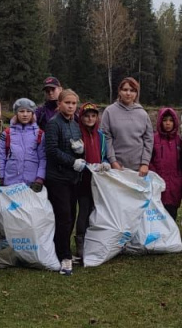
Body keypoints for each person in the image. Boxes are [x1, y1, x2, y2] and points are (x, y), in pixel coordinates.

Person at [44, 89, 86, 276]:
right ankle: (64, 256)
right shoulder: (53, 124)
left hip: (73, 179)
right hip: (58, 178)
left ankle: (61, 250)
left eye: (73, 103)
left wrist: (80, 151)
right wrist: (72, 161)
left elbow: (74, 145)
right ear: (59, 104)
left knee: (71, 216)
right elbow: (52, 150)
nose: (70, 106)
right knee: (63, 217)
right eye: (67, 103)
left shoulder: (75, 123)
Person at [75, 102, 110, 263]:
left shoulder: (101, 135)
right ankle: (80, 241)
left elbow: (104, 154)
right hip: (82, 178)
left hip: (98, 180)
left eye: (93, 116)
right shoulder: (77, 133)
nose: (90, 119)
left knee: (95, 210)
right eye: (87, 116)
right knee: (83, 210)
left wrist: (105, 162)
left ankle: (93, 240)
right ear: (81, 117)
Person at [100, 77, 153, 175]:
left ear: (136, 93)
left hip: (138, 170)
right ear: (119, 91)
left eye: (132, 90)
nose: (128, 93)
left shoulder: (143, 114)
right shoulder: (109, 111)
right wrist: (113, 162)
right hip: (115, 168)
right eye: (125, 90)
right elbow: (106, 137)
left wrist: (145, 163)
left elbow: (148, 140)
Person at [0, 98, 46, 190]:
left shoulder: (40, 134)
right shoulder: (7, 133)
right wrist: (1, 177)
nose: (25, 114)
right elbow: (1, 157)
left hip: (32, 184)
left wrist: (39, 179)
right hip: (10, 183)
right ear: (16, 113)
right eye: (21, 111)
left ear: (32, 113)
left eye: (28, 111)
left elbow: (43, 158)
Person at [150, 107, 182, 220]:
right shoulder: (154, 139)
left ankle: (171, 236)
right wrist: (155, 177)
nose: (168, 123)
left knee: (172, 211)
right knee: (157, 212)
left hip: (175, 182)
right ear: (160, 121)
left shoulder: (179, 140)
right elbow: (148, 160)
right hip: (158, 181)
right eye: (165, 120)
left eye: (171, 120)